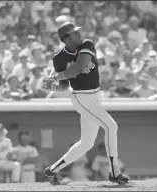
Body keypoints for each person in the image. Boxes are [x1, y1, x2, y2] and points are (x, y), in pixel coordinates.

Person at [42, 22, 130, 185]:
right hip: (81, 97)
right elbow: (64, 85)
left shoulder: (86, 44)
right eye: (74, 33)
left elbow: (77, 68)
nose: (79, 33)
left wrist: (53, 77)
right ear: (66, 38)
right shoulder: (59, 58)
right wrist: (51, 85)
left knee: (87, 143)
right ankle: (114, 172)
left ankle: (52, 170)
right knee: (111, 126)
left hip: (96, 95)